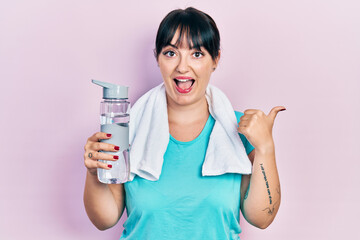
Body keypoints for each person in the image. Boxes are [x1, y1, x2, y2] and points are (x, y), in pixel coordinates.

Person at [83, 7, 285, 240]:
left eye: (197, 54)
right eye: (170, 53)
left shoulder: (240, 128)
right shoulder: (130, 127)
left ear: (215, 59)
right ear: (157, 58)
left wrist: (265, 148)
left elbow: (261, 218)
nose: (182, 66)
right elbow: (104, 219)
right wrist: (92, 174)